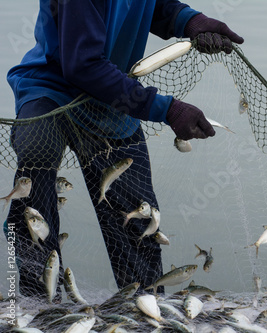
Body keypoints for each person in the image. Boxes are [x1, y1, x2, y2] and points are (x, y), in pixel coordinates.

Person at [5, 0, 243, 299]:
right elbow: (83, 66)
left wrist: (189, 21)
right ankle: (33, 304)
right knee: (33, 187)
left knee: (138, 218)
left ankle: (143, 306)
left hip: (111, 99)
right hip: (52, 92)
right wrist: (166, 109)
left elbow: (151, 5)